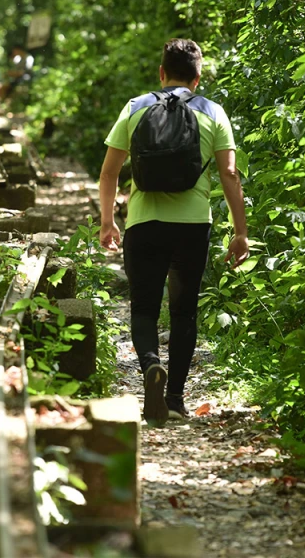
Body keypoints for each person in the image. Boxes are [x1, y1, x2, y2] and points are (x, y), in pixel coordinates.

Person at [98, 38, 250, 425]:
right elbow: (230, 174)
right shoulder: (213, 112)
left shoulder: (135, 107)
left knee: (144, 307)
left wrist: (107, 221)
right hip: (192, 227)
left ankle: (150, 364)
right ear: (198, 78)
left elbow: (110, 171)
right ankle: (175, 400)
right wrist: (240, 231)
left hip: (144, 224)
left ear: (161, 73)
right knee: (184, 312)